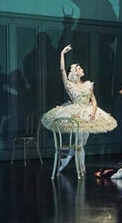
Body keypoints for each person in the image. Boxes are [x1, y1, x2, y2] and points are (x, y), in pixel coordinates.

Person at [41, 45, 117, 174]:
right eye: (78, 68)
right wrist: (62, 54)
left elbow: (94, 100)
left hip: (88, 112)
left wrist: (93, 112)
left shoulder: (88, 84)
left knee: (82, 143)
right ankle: (81, 169)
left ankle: (67, 160)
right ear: (74, 72)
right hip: (76, 112)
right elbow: (62, 70)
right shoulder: (69, 85)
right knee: (79, 144)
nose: (81, 69)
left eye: (80, 67)